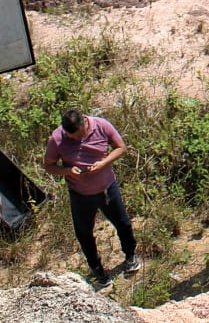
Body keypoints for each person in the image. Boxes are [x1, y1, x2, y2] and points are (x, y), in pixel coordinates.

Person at [43, 109, 141, 288]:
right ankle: (98, 270)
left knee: (123, 224)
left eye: (77, 136)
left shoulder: (101, 125)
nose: (73, 140)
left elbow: (121, 147)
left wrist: (103, 163)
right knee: (84, 234)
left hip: (106, 188)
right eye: (70, 137)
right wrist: (67, 171)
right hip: (80, 195)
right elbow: (49, 166)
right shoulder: (57, 139)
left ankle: (130, 256)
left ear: (84, 124)